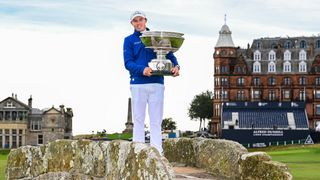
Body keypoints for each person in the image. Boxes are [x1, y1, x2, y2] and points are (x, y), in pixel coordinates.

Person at [123, 10, 180, 155]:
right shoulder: (129, 40)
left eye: (140, 19)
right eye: (135, 21)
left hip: (157, 83)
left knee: (156, 121)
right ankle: (138, 153)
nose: (138, 23)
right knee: (138, 120)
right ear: (132, 23)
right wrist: (143, 70)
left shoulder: (156, 37)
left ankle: (157, 154)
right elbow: (128, 63)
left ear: (145, 20)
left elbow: (170, 54)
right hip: (138, 84)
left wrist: (176, 67)